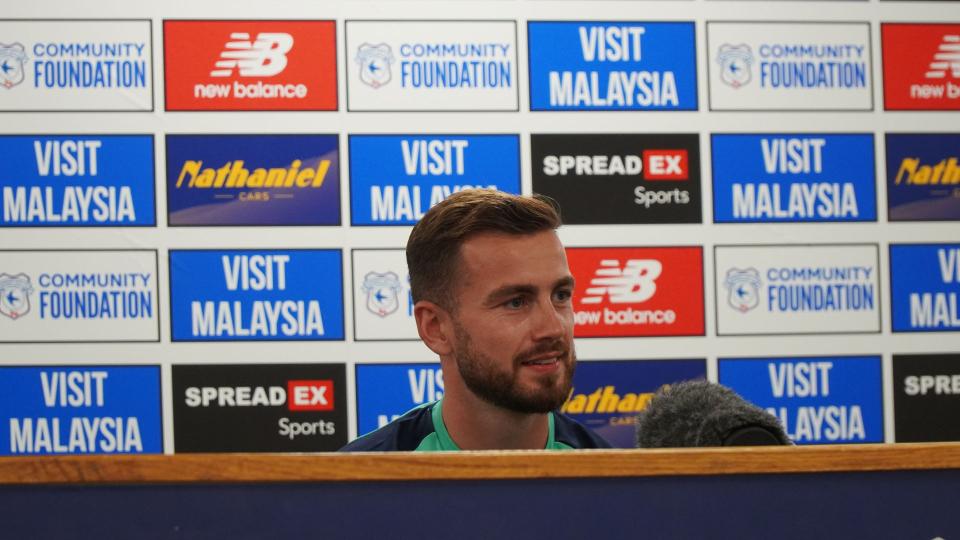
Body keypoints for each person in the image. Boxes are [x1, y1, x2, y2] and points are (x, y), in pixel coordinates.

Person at [341, 189, 611, 451]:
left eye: (561, 295)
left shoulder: (616, 485)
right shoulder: (356, 486)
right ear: (435, 328)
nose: (553, 328)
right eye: (516, 302)